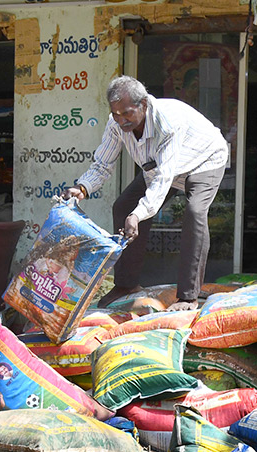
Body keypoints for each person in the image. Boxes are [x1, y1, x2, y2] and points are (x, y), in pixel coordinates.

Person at [60, 75, 229, 305]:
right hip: (160, 168)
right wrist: (82, 188)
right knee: (124, 206)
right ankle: (126, 285)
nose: (121, 120)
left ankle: (188, 296)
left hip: (203, 160)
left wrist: (138, 216)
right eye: (115, 114)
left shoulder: (169, 124)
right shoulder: (116, 124)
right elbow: (102, 163)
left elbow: (163, 179)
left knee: (195, 212)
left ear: (144, 104)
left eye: (127, 113)